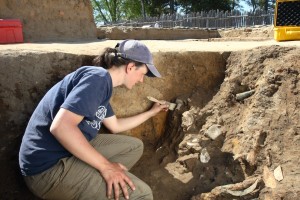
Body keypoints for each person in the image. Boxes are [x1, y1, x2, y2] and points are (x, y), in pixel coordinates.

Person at [19, 40, 168, 200]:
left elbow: (115, 126)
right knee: (143, 195)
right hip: (47, 169)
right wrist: (106, 167)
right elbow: (61, 127)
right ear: (130, 67)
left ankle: (95, 184)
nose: (141, 80)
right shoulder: (98, 79)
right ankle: (98, 181)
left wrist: (152, 113)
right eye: (143, 74)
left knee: (134, 147)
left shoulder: (102, 83)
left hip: (62, 153)